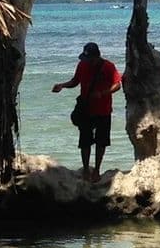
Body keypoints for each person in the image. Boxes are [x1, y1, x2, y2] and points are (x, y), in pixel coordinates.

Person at [52, 41, 123, 179]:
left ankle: (96, 170)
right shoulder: (82, 65)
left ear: (96, 57)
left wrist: (103, 93)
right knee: (85, 141)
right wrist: (62, 86)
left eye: (89, 59)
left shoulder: (108, 67)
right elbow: (75, 81)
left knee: (101, 141)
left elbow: (117, 85)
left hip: (103, 110)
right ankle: (85, 169)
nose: (86, 62)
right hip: (86, 109)